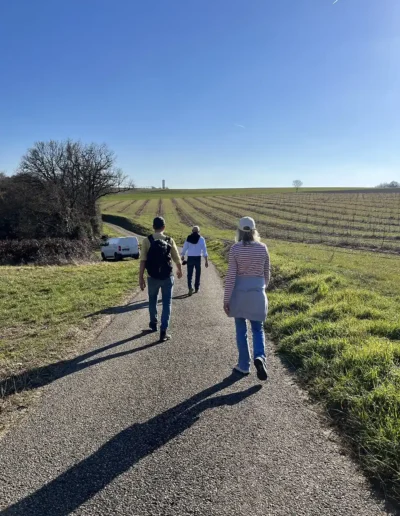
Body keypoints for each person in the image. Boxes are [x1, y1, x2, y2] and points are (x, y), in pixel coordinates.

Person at [223, 217, 270, 381]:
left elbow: (230, 277)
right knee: (258, 329)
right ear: (254, 230)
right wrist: (261, 288)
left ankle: (244, 365)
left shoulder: (235, 249)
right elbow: (267, 274)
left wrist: (226, 299)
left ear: (239, 231)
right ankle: (260, 357)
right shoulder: (263, 248)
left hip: (239, 294)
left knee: (241, 330)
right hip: (257, 293)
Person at [139, 216, 183, 342]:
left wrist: (141, 277)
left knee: (152, 300)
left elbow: (143, 261)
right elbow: (176, 257)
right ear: (164, 227)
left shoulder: (147, 240)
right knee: (167, 303)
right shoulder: (170, 240)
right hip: (167, 277)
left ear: (153, 227)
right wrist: (179, 269)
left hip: (152, 277)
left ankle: (153, 323)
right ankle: (163, 331)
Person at [181, 225, 209, 295]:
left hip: (190, 258)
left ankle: (190, 287)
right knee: (198, 273)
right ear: (199, 231)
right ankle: (197, 287)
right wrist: (206, 260)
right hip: (197, 258)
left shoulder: (189, 238)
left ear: (192, 231)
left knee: (189, 274)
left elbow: (185, 247)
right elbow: (204, 250)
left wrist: (183, 255)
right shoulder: (201, 239)